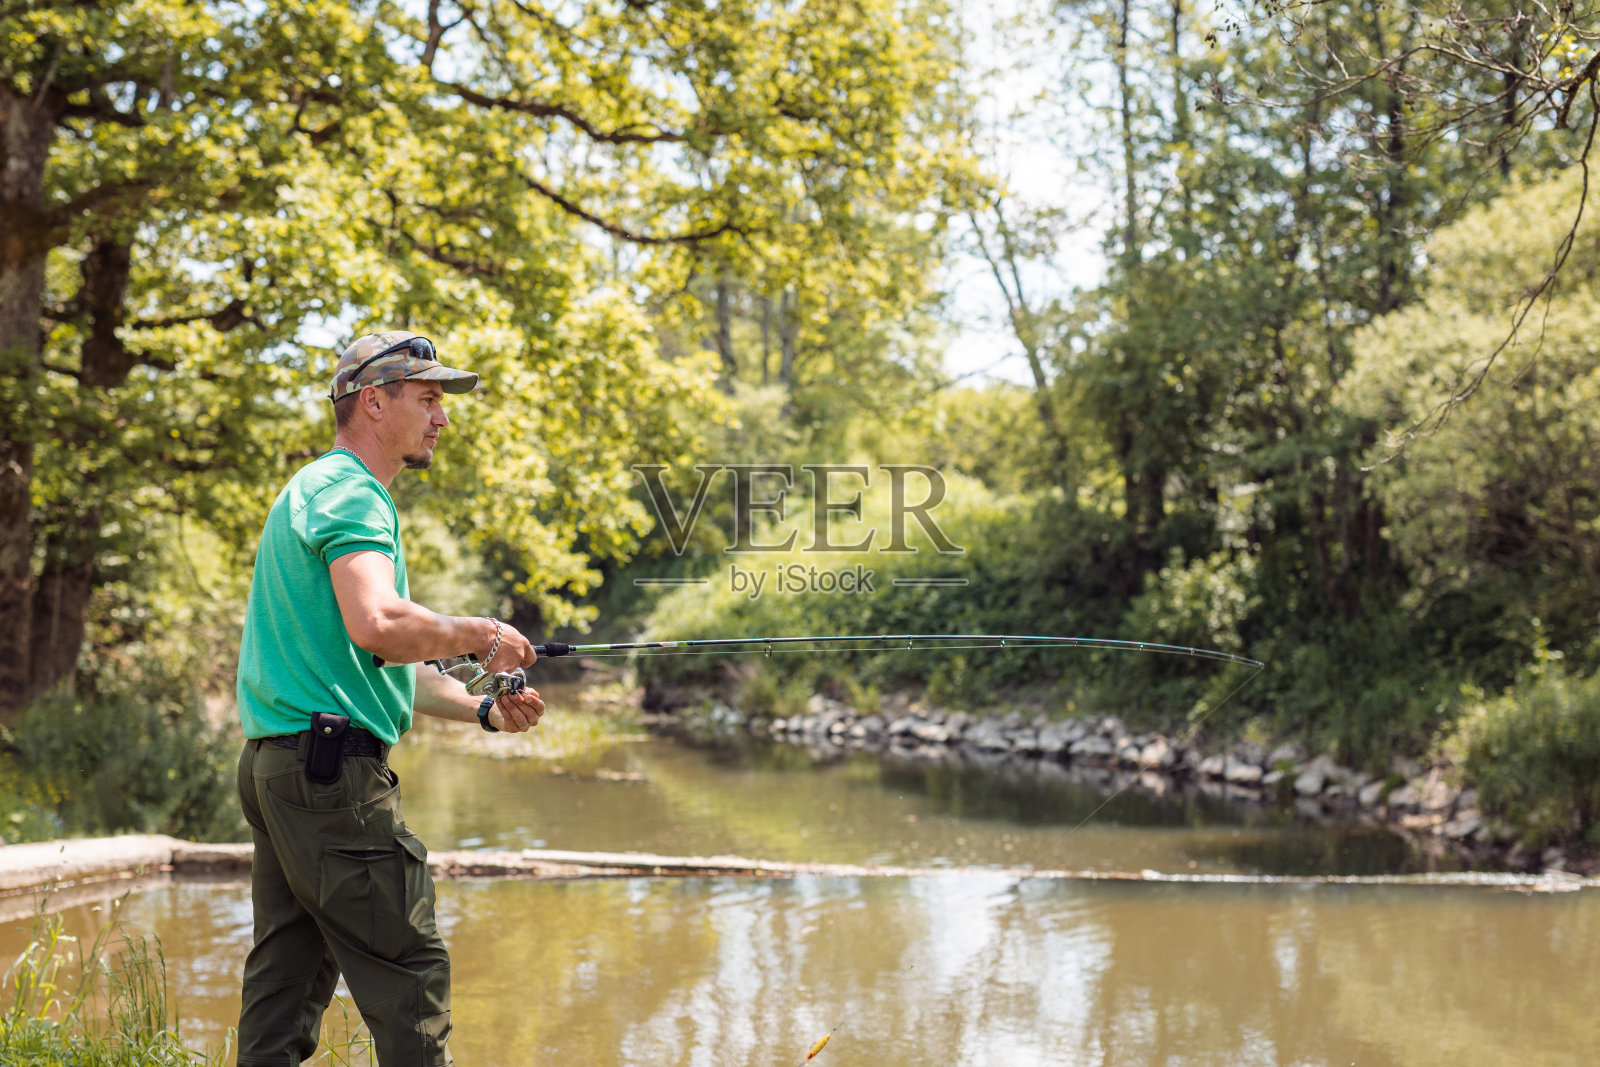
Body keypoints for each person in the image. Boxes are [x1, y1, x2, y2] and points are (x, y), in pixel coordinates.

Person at [233, 331, 546, 1066]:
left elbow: (379, 662)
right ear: (373, 402)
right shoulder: (352, 492)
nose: (444, 417)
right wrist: (480, 632)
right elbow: (380, 624)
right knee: (411, 969)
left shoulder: (319, 487)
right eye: (429, 399)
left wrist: (482, 709)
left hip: (282, 769)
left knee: (286, 981)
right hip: (330, 780)